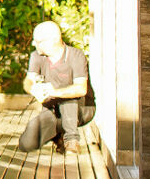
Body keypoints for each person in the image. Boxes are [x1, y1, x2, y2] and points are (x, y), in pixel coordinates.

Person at [19, 21, 94, 152]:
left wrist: (53, 91)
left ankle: (72, 140)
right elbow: (28, 81)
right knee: (26, 144)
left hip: (81, 109)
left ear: (53, 40)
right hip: (53, 110)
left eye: (38, 41)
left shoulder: (76, 55)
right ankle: (58, 135)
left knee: (67, 95)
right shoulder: (36, 56)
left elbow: (81, 89)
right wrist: (33, 89)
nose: (34, 44)